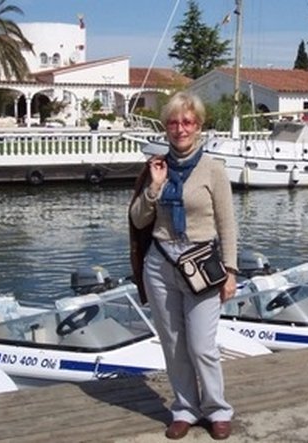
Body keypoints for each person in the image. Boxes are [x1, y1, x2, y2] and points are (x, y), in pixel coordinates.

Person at [129, 91, 237, 440]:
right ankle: (185, 409)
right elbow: (138, 219)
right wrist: (154, 188)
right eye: (173, 123)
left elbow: (227, 224)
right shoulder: (155, 167)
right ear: (166, 128)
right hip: (160, 264)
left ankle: (217, 409)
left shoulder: (214, 170)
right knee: (173, 343)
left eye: (187, 122)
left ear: (199, 126)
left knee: (202, 345)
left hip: (202, 266)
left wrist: (231, 272)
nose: (180, 129)